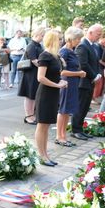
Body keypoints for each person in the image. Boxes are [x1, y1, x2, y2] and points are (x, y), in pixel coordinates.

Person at [34, 30, 68, 167]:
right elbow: (40, 77)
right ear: (53, 40)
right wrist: (57, 84)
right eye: (59, 39)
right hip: (45, 94)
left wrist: (61, 82)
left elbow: (56, 74)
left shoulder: (55, 56)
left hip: (53, 93)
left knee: (46, 126)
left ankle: (45, 154)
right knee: (42, 125)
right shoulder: (45, 55)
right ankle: (42, 155)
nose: (61, 41)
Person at [71, 24, 103, 140]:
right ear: (90, 32)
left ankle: (80, 129)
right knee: (80, 106)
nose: (99, 37)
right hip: (83, 81)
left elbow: (95, 62)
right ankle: (75, 130)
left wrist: (97, 74)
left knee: (85, 107)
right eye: (98, 34)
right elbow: (83, 64)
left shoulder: (92, 45)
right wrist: (94, 75)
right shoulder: (83, 45)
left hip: (89, 81)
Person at [56, 27, 87, 146]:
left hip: (72, 83)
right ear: (70, 38)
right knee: (63, 110)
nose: (79, 41)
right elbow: (62, 72)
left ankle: (63, 135)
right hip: (66, 83)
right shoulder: (64, 51)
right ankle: (59, 136)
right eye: (78, 38)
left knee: (67, 111)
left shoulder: (71, 50)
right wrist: (78, 73)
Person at [17, 27, 46, 125]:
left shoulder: (38, 45)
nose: (43, 38)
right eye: (42, 35)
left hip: (35, 73)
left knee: (33, 95)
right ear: (37, 35)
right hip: (30, 74)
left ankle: (31, 114)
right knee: (29, 96)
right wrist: (44, 67)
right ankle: (28, 116)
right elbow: (34, 61)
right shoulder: (31, 45)